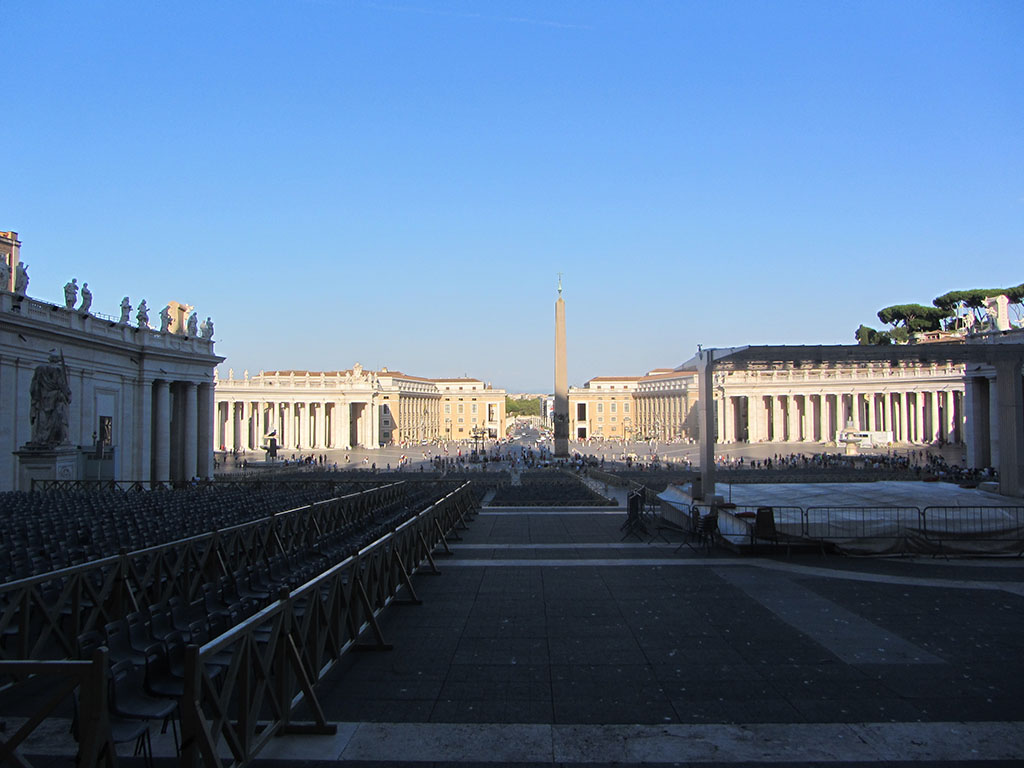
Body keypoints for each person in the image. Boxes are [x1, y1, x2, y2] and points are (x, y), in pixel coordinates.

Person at [29, 352, 72, 446]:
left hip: (42, 400)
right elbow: (62, 386)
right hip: (55, 399)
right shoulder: (58, 370)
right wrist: (68, 395)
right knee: (56, 420)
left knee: (42, 422)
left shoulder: (39, 369)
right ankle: (52, 438)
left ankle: (41, 439)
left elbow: (33, 388)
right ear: (57, 360)